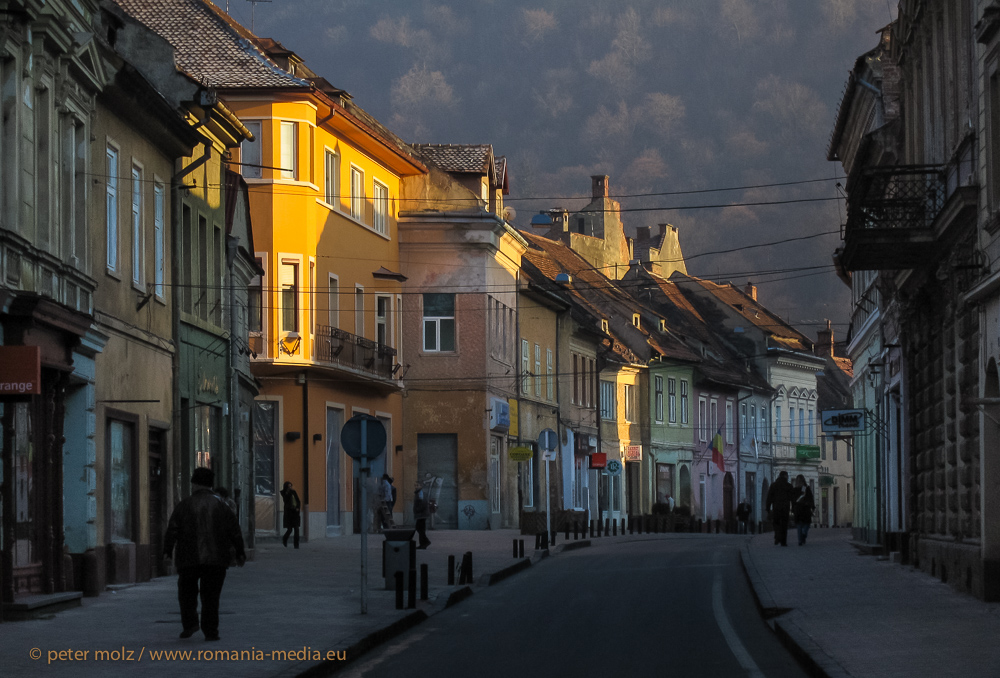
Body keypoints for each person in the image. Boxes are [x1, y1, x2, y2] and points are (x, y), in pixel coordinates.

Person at [163, 467, 246, 642]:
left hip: (188, 557)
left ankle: (190, 624)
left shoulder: (184, 505)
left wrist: (167, 551)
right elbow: (234, 531)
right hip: (217, 559)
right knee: (211, 596)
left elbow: (172, 530)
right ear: (211, 485)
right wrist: (240, 552)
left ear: (194, 484)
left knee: (186, 594)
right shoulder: (222, 505)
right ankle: (211, 631)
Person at [765, 471, 795, 547]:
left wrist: (768, 508)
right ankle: (783, 542)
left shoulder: (774, 485)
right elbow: (792, 498)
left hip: (776, 507)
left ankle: (777, 536)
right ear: (785, 476)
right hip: (785, 508)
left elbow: (769, 498)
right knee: (784, 525)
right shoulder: (789, 486)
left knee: (776, 523)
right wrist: (793, 507)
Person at [793, 474, 816, 546]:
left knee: (799, 525)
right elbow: (810, 498)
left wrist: (793, 508)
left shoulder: (795, 490)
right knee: (807, 523)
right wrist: (812, 506)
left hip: (798, 509)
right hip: (805, 508)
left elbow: (793, 500)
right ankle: (804, 532)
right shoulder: (806, 488)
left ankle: (800, 540)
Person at [280, 481, 301, 548]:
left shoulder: (293, 492)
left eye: (291, 486)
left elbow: (298, 500)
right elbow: (286, 500)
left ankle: (296, 545)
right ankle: (284, 539)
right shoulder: (284, 493)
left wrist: (298, 507)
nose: (290, 488)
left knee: (296, 529)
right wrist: (288, 492)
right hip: (289, 513)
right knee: (289, 529)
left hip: (295, 513)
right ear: (286, 487)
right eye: (289, 486)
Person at [413, 481, 431, 549]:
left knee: (420, 529)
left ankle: (425, 542)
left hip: (421, 514)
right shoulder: (418, 493)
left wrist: (418, 510)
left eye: (417, 485)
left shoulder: (420, 493)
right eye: (415, 485)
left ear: (421, 486)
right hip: (421, 514)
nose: (416, 486)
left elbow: (422, 503)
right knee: (420, 529)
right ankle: (424, 542)